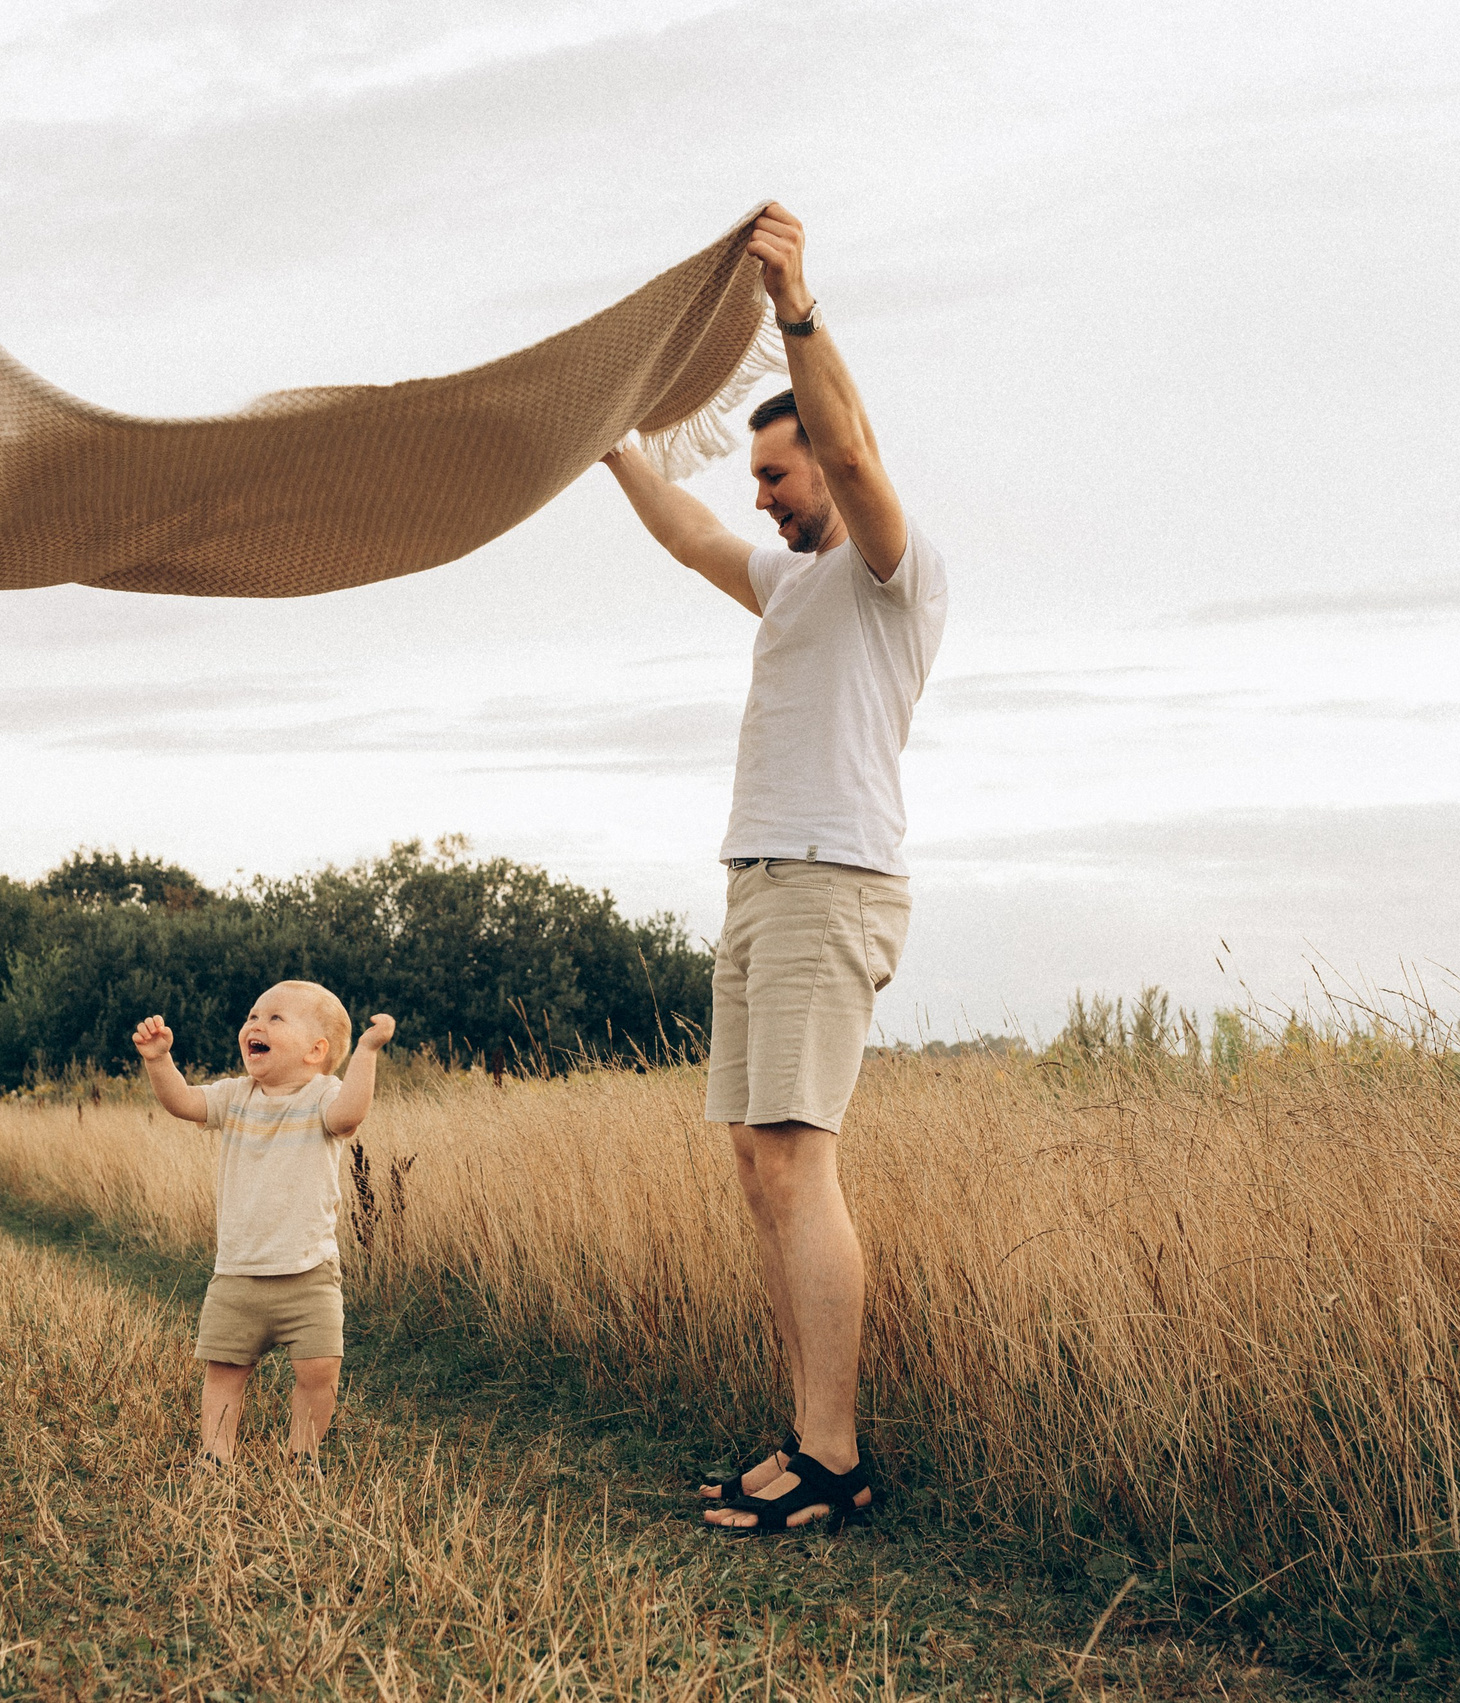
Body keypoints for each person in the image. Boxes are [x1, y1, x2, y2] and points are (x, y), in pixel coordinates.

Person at [601, 202, 949, 1533]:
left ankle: (835, 1453)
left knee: (799, 1158)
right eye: (757, 478)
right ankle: (804, 1428)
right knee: (758, 1158)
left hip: (831, 875)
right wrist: (606, 443)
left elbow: (853, 449)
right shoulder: (794, 583)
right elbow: (689, 535)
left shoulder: (888, 568)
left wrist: (796, 310)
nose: (762, 495)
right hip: (761, 878)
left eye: (777, 475)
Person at [131, 984, 397, 1467]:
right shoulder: (234, 1096)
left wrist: (366, 1051)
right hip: (238, 1273)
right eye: (253, 1015)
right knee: (224, 1370)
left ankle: (303, 1454)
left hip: (309, 1273)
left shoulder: (324, 1095)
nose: (256, 1025)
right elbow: (183, 1102)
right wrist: (158, 1061)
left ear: (316, 1052)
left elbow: (349, 1116)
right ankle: (216, 1454)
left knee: (319, 1370)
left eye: (275, 1019)